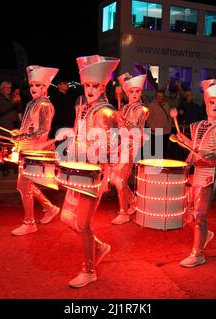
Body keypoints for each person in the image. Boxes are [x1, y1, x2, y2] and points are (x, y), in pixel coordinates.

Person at [61, 55, 119, 288]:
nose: (90, 90)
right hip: (77, 169)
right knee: (67, 218)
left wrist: (99, 166)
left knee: (83, 223)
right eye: (87, 85)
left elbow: (111, 149)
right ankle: (99, 246)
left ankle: (89, 270)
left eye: (94, 86)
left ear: (103, 86)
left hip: (93, 175)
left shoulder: (106, 113)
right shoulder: (83, 109)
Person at [176, 80, 216, 267]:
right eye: (212, 102)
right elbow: (195, 147)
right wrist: (184, 140)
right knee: (186, 213)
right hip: (193, 173)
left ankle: (198, 253)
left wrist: (212, 155)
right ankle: (205, 234)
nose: (215, 106)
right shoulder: (196, 126)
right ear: (206, 104)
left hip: (208, 175)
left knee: (200, 215)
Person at [10, 65, 61, 236]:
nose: (33, 88)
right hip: (28, 149)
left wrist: (23, 136)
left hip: (36, 150)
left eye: (37, 85)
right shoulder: (34, 103)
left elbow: (43, 131)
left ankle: (30, 222)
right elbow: (30, 127)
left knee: (24, 186)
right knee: (25, 185)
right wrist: (20, 133)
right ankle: (50, 207)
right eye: (32, 85)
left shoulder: (44, 105)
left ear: (45, 87)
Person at [110, 73, 149, 225]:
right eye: (131, 91)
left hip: (132, 145)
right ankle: (133, 200)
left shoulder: (143, 109)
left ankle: (124, 212)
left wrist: (121, 119)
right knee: (115, 178)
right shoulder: (125, 107)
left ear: (141, 92)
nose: (134, 94)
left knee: (119, 180)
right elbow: (119, 127)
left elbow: (135, 128)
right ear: (126, 93)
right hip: (122, 144)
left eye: (137, 91)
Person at [146, 90, 172, 158]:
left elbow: (169, 116)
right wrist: (153, 128)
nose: (159, 97)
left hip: (166, 131)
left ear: (163, 97)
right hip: (157, 131)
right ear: (156, 96)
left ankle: (163, 165)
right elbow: (148, 118)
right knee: (156, 151)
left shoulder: (167, 104)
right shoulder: (151, 105)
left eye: (161, 96)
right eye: (158, 96)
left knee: (164, 150)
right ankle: (155, 166)